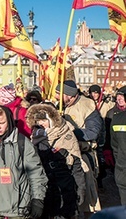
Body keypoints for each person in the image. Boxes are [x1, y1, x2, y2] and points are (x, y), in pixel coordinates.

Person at [0, 105, 47, 219]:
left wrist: (38, 199)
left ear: (9, 121)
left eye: (1, 123)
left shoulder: (22, 143)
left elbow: (36, 173)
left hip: (17, 209)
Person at [27, 103, 86, 218]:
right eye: (38, 121)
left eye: (44, 120)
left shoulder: (65, 135)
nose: (41, 123)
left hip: (64, 186)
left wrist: (80, 188)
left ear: (51, 119)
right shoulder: (35, 137)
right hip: (44, 187)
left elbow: (76, 164)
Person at [55, 80, 103, 216]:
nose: (56, 96)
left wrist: (68, 132)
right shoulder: (60, 105)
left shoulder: (87, 106)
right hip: (65, 157)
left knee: (87, 199)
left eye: (59, 93)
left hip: (83, 156)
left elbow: (93, 132)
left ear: (69, 95)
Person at [109, 86, 126, 205]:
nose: (119, 98)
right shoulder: (116, 117)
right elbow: (114, 143)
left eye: (122, 95)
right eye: (118, 95)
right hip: (122, 166)